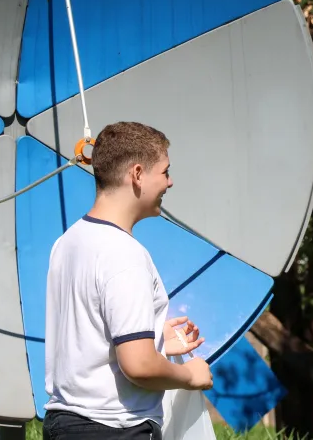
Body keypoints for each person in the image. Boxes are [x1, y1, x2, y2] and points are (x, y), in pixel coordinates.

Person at [42, 121, 214, 440]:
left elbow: (86, 333)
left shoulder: (68, 242)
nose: (170, 182)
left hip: (63, 425)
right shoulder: (124, 253)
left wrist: (152, 339)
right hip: (113, 430)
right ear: (137, 174)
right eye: (164, 172)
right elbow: (139, 367)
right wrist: (190, 375)